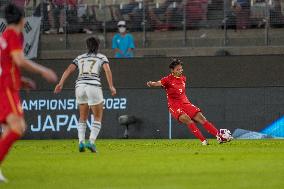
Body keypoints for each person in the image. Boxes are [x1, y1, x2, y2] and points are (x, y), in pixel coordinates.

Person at [0, 4, 58, 182]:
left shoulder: (4, 36)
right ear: (22, 19)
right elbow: (19, 60)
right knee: (18, 128)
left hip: (7, 85)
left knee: (10, 129)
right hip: (6, 88)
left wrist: (21, 80)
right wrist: (43, 71)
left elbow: (6, 64)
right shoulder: (13, 34)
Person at [146, 58, 233, 145]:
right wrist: (152, 83)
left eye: (181, 69)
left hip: (185, 103)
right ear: (172, 70)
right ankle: (204, 141)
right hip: (174, 106)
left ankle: (219, 136)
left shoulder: (183, 78)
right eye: (178, 69)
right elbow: (158, 83)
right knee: (188, 120)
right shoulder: (167, 79)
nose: (180, 71)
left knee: (201, 118)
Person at [54, 37, 116, 153]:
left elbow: (68, 70)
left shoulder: (80, 57)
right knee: (97, 116)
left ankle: (81, 142)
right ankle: (91, 142)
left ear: (87, 46)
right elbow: (107, 70)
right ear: (98, 46)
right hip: (93, 86)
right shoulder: (101, 57)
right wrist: (111, 86)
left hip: (80, 86)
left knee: (82, 117)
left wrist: (60, 83)